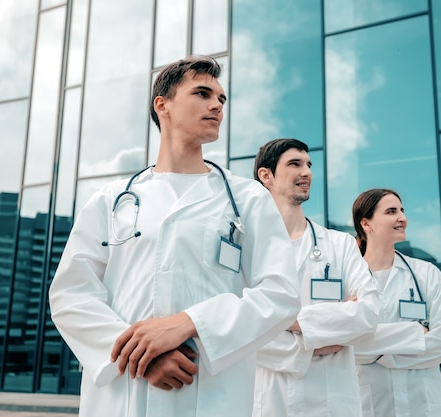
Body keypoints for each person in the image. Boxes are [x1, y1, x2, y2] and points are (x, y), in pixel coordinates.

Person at [48, 56, 301, 417]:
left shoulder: (248, 199)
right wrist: (141, 357)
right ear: (162, 105)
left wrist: (189, 323)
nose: (217, 105)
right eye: (202, 93)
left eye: (222, 99)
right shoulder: (110, 200)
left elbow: (280, 295)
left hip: (212, 392)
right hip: (125, 391)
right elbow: (71, 295)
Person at [252, 138, 379, 417]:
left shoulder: (340, 244)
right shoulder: (246, 247)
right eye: (295, 164)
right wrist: (313, 346)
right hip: (267, 402)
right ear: (266, 175)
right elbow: (240, 333)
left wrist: (288, 320)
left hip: (333, 402)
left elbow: (368, 315)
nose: (307, 172)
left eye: (309, 164)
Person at [352, 188, 441, 417]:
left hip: (424, 405)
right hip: (370, 406)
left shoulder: (426, 274)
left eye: (402, 210)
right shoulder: (349, 279)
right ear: (366, 224)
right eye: (391, 211)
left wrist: (378, 353)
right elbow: (344, 345)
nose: (402, 218)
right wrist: (414, 335)